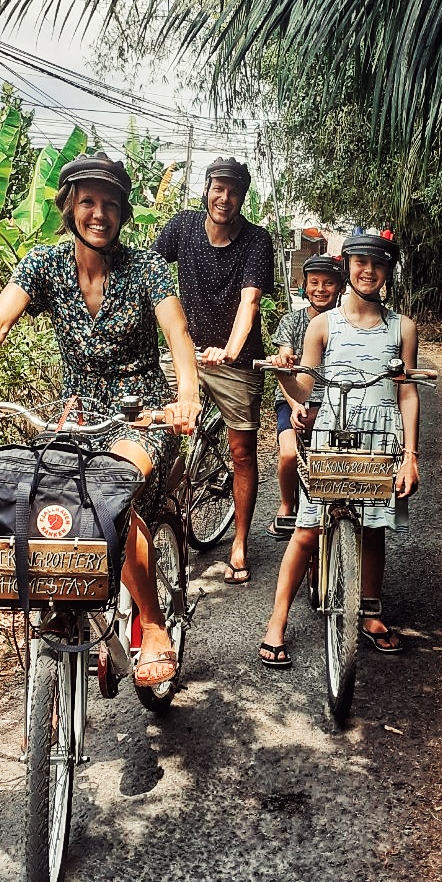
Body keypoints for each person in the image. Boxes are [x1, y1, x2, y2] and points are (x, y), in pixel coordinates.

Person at [0, 151, 201, 687]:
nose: (98, 213)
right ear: (69, 207)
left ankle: (151, 625)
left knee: (108, 492)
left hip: (143, 413)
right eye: (87, 202)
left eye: (109, 204)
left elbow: (178, 335)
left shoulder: (147, 268)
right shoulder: (43, 264)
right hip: (77, 411)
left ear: (123, 214)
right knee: (46, 499)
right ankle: (65, 604)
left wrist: (187, 397)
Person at [258, 230, 421, 667]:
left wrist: (410, 456)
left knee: (373, 527)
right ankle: (277, 621)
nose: (368, 271)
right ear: (348, 265)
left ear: (388, 272)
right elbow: (306, 387)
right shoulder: (321, 325)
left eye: (378, 264)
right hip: (331, 432)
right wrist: (284, 374)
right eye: (360, 262)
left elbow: (407, 392)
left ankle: (369, 612)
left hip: (382, 436)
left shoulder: (402, 327)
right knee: (308, 530)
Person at [153, 157, 274, 585]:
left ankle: (239, 541)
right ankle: (163, 527)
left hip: (234, 361)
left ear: (243, 196)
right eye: (218, 188)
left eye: (234, 190)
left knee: (242, 451)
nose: (225, 198)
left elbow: (250, 301)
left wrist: (230, 349)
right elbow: (148, 274)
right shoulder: (182, 227)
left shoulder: (257, 240)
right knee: (159, 435)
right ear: (206, 189)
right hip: (185, 351)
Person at [267, 254, 345, 539]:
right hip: (293, 396)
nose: (320, 289)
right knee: (289, 453)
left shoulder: (344, 322)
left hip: (334, 401)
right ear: (305, 286)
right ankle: (287, 505)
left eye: (328, 283)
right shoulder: (292, 321)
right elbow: (284, 353)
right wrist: (283, 361)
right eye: (314, 283)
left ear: (340, 287)